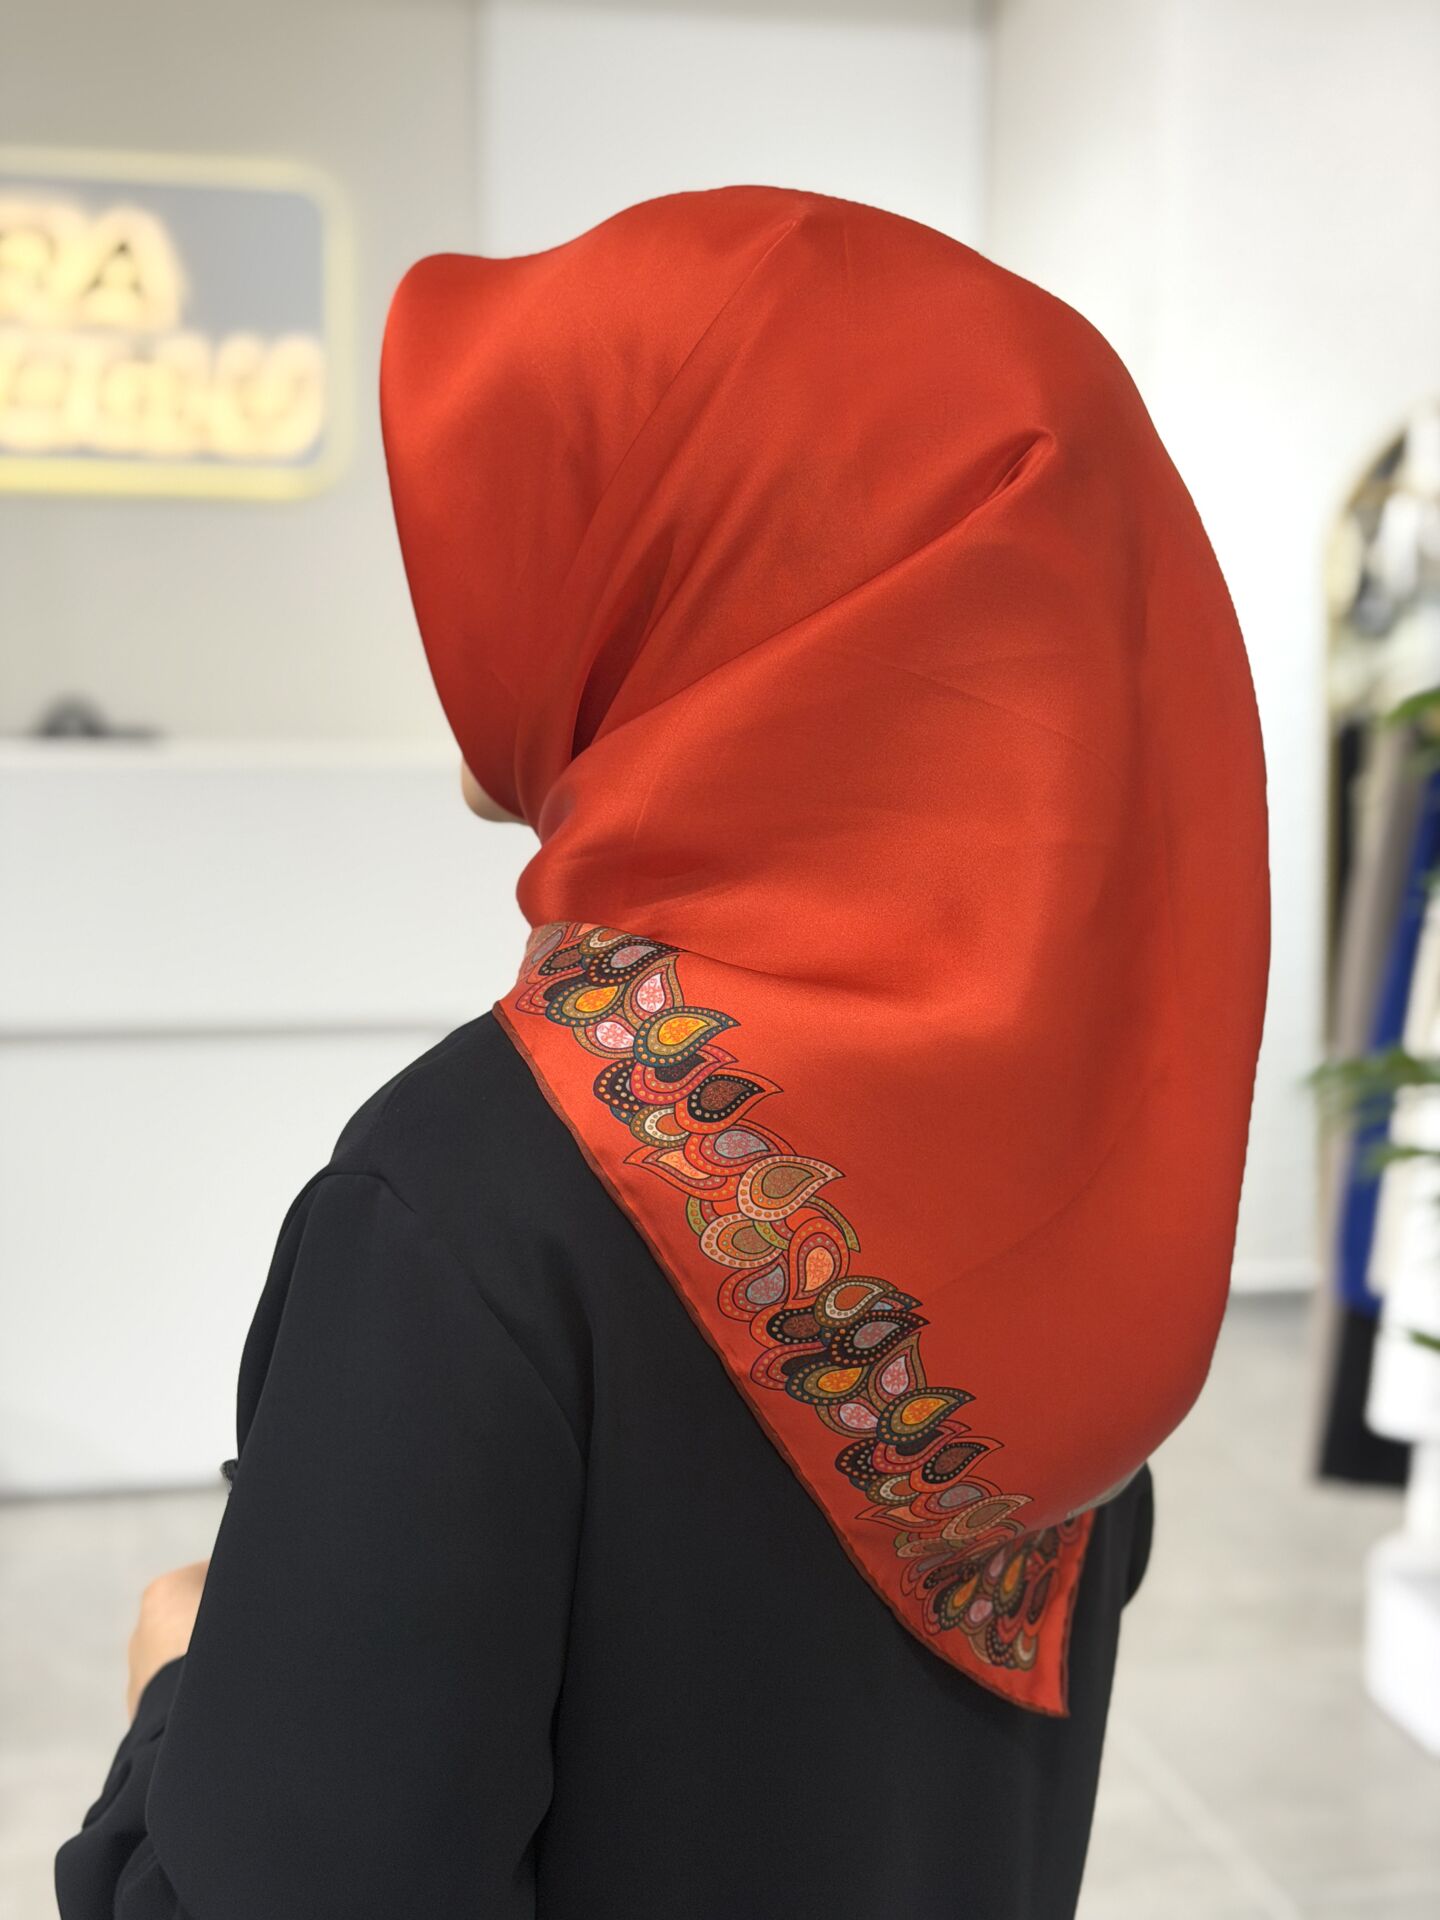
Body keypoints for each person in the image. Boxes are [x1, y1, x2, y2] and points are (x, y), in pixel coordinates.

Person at [55, 184, 1269, 1919]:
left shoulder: (477, 1210)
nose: (470, 592)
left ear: (703, 582)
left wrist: (176, 1703)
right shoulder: (1077, 1155)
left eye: (559, 518)